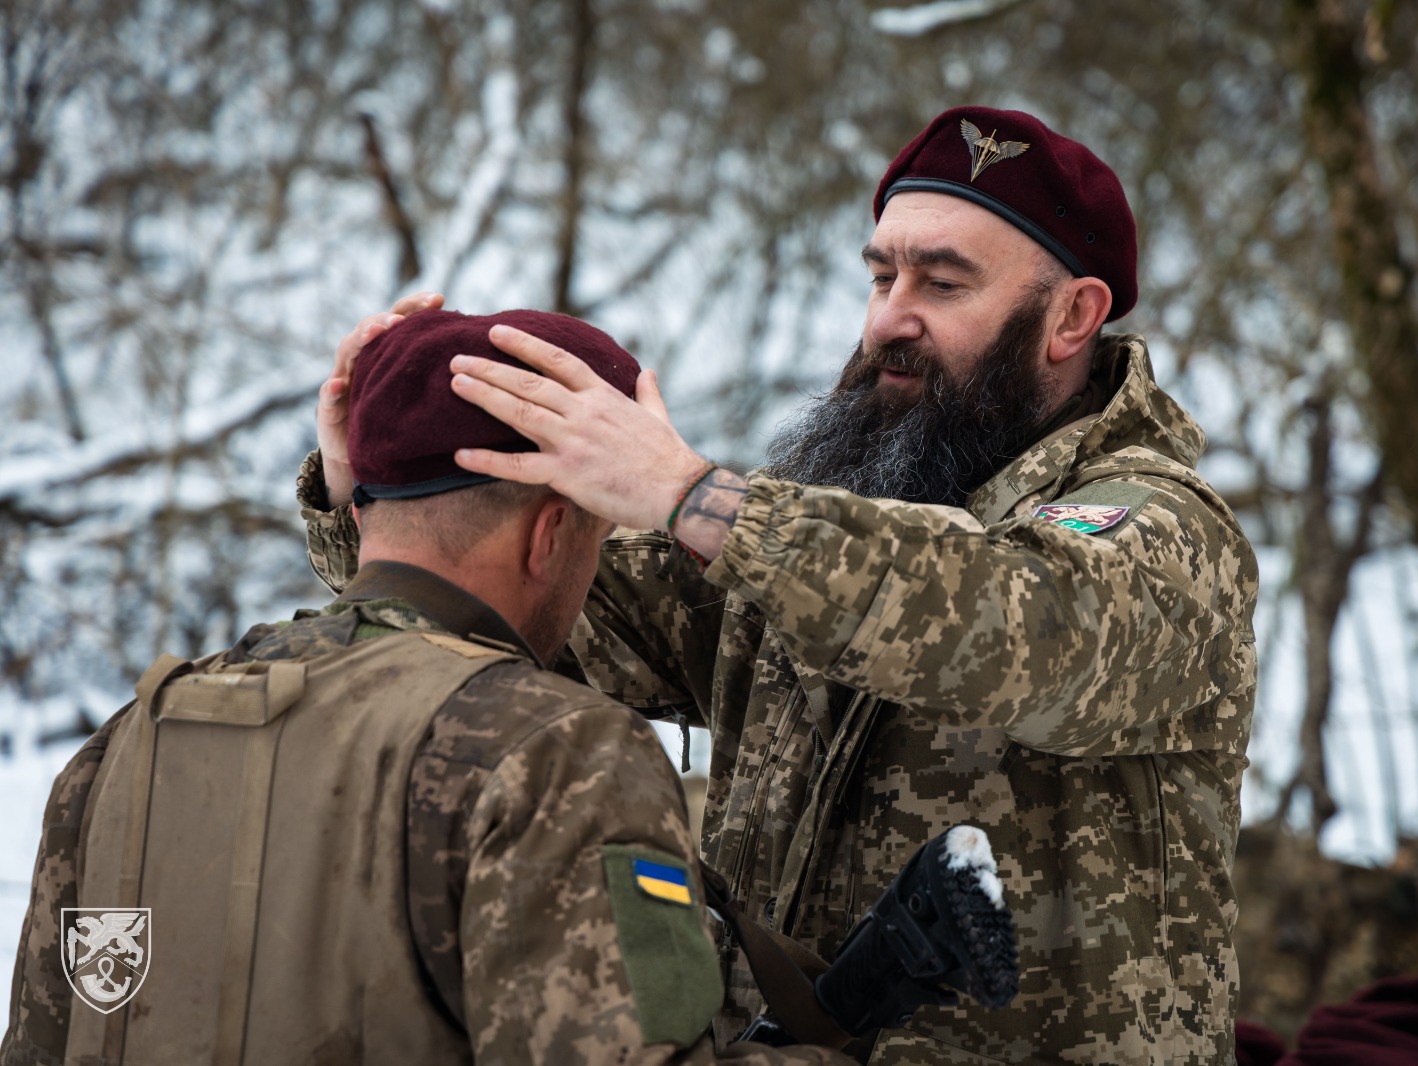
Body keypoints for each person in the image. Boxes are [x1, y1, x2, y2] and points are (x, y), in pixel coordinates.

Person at [300, 106, 1259, 1064]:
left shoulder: (1166, 530)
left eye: (943, 281)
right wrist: (374, 502)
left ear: (1073, 317)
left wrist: (689, 495)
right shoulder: (820, 528)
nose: (890, 318)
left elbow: (1023, 624)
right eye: (881, 275)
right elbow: (542, 599)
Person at [0, 310, 869, 1066]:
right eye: (598, 542)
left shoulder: (129, 741)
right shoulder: (556, 753)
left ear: (362, 507)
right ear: (552, 532)